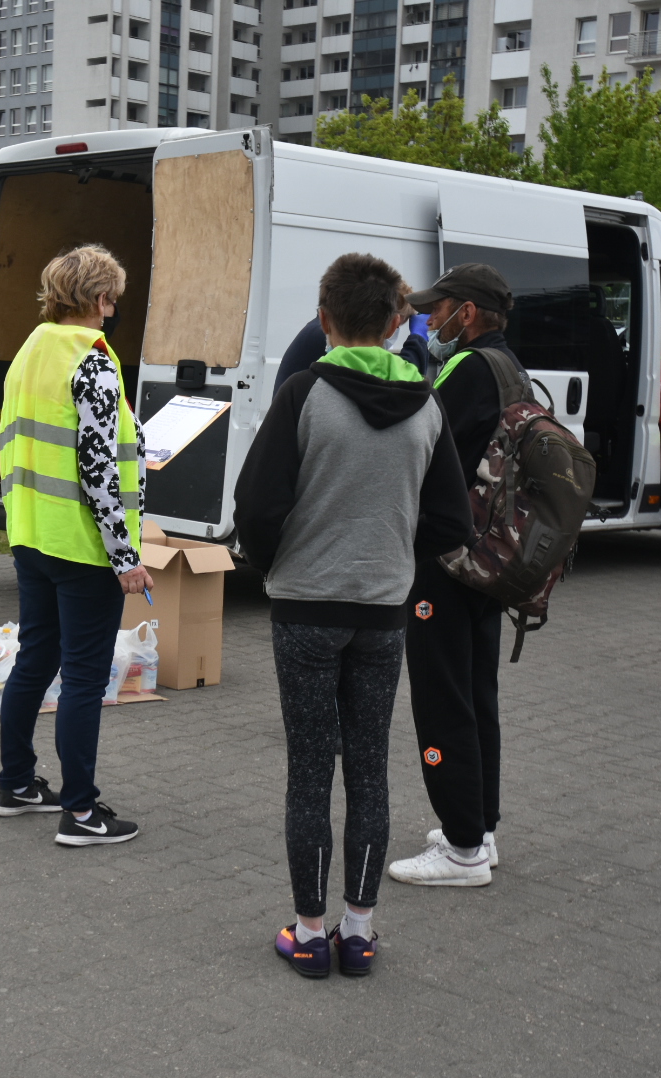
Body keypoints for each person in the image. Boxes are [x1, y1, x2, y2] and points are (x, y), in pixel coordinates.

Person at [236, 253, 472, 978]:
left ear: (324, 317)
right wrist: (394, 555)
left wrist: (271, 563)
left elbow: (258, 506)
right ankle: (359, 932)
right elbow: (451, 520)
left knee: (311, 770)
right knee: (369, 767)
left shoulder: (305, 394)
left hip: (306, 607)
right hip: (383, 612)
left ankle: (309, 935)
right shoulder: (429, 406)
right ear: (398, 319)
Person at [0, 244, 149, 847]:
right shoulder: (92, 359)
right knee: (83, 680)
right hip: (84, 549)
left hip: (32, 533)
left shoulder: (30, 350)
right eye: (113, 298)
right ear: (101, 298)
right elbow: (98, 465)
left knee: (34, 661)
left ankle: (17, 785)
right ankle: (81, 813)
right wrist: (126, 557)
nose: (114, 309)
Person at [387, 263, 522, 888]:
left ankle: (462, 848)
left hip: (446, 557)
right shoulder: (509, 365)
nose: (428, 319)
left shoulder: (467, 368)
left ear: (466, 313)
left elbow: (424, 443)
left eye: (437, 308)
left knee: (442, 697)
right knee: (476, 691)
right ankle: (480, 827)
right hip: (488, 555)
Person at [272, 303, 431, 397]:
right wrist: (418, 339)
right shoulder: (328, 337)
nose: (391, 333)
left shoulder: (321, 330)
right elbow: (395, 391)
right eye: (396, 326)